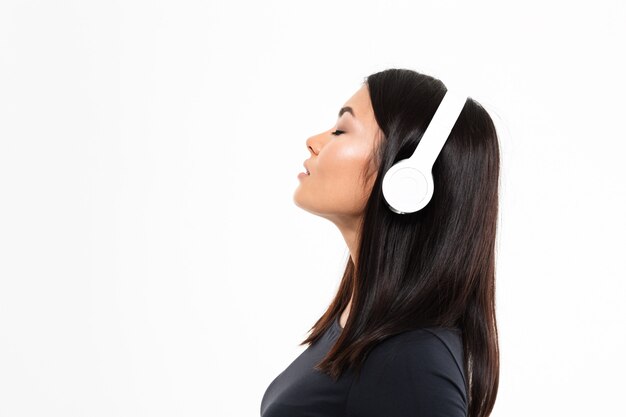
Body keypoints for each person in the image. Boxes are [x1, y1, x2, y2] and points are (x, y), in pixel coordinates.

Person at [260, 68, 500, 417]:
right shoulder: (359, 327)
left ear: (408, 180)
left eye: (341, 130)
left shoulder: (413, 360)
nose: (314, 140)